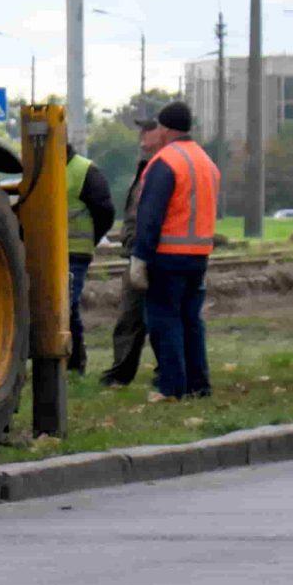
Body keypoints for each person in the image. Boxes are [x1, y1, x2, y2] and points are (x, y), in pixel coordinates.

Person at [129, 100, 220, 401]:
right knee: (191, 320)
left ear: (166, 129)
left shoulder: (165, 161)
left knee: (164, 320)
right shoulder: (206, 162)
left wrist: (141, 255)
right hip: (199, 255)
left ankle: (171, 387)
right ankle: (199, 385)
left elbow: (150, 214)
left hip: (167, 255)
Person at [100, 113, 170, 386]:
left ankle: (167, 372)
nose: (141, 139)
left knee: (161, 318)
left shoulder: (164, 166)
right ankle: (120, 373)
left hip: (156, 253)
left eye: (147, 132)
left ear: (162, 133)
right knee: (130, 317)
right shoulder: (146, 167)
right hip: (137, 251)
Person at [64, 147, 113, 374]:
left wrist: (89, 240)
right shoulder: (38, 169)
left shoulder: (85, 171)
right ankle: (73, 362)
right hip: (43, 252)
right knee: (65, 308)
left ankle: (74, 363)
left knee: (67, 304)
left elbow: (104, 211)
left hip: (74, 252)